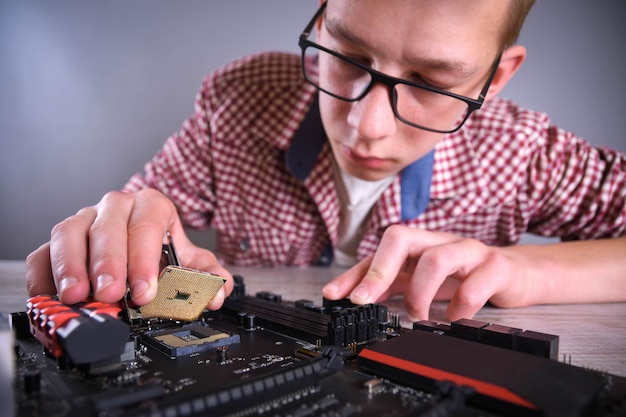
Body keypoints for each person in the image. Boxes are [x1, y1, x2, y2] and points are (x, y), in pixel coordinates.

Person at [25, 0, 626, 322]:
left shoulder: (526, 153)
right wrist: (128, 232)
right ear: (320, 16)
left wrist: (528, 272)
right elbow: (146, 216)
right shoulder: (238, 98)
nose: (367, 127)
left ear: (496, 77)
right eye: (348, 56)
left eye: (432, 83)